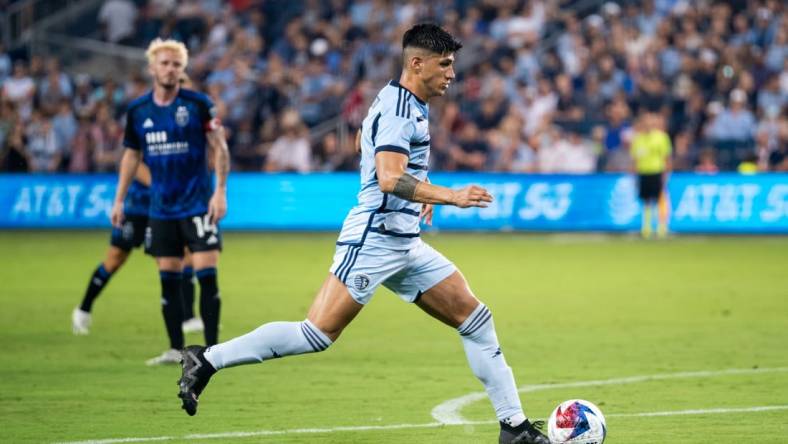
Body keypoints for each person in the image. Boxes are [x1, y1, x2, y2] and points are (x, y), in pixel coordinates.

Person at [176, 24, 549, 444]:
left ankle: (514, 428)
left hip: (404, 241)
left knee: (476, 320)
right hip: (374, 239)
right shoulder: (399, 109)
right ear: (416, 63)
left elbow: (362, 142)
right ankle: (206, 359)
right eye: (444, 65)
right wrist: (448, 196)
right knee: (315, 334)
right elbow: (389, 178)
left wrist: (416, 192)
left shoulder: (400, 100)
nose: (451, 74)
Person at [110, 38, 229, 365]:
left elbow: (220, 147)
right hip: (160, 209)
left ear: (183, 69)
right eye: (164, 63)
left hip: (197, 206)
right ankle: (176, 349)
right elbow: (131, 156)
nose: (171, 69)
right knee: (169, 280)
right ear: (152, 68)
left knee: (207, 276)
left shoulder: (198, 104)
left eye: (176, 64)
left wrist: (220, 191)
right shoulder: (138, 111)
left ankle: (213, 353)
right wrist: (118, 200)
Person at [630, 111, 672, 238]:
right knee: (646, 200)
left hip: (657, 171)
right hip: (643, 172)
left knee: (660, 199)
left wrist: (667, 173)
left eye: (650, 122)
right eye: (645, 122)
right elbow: (635, 159)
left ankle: (662, 228)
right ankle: (646, 228)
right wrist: (634, 175)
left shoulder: (661, 137)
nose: (648, 124)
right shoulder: (638, 139)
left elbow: (666, 157)